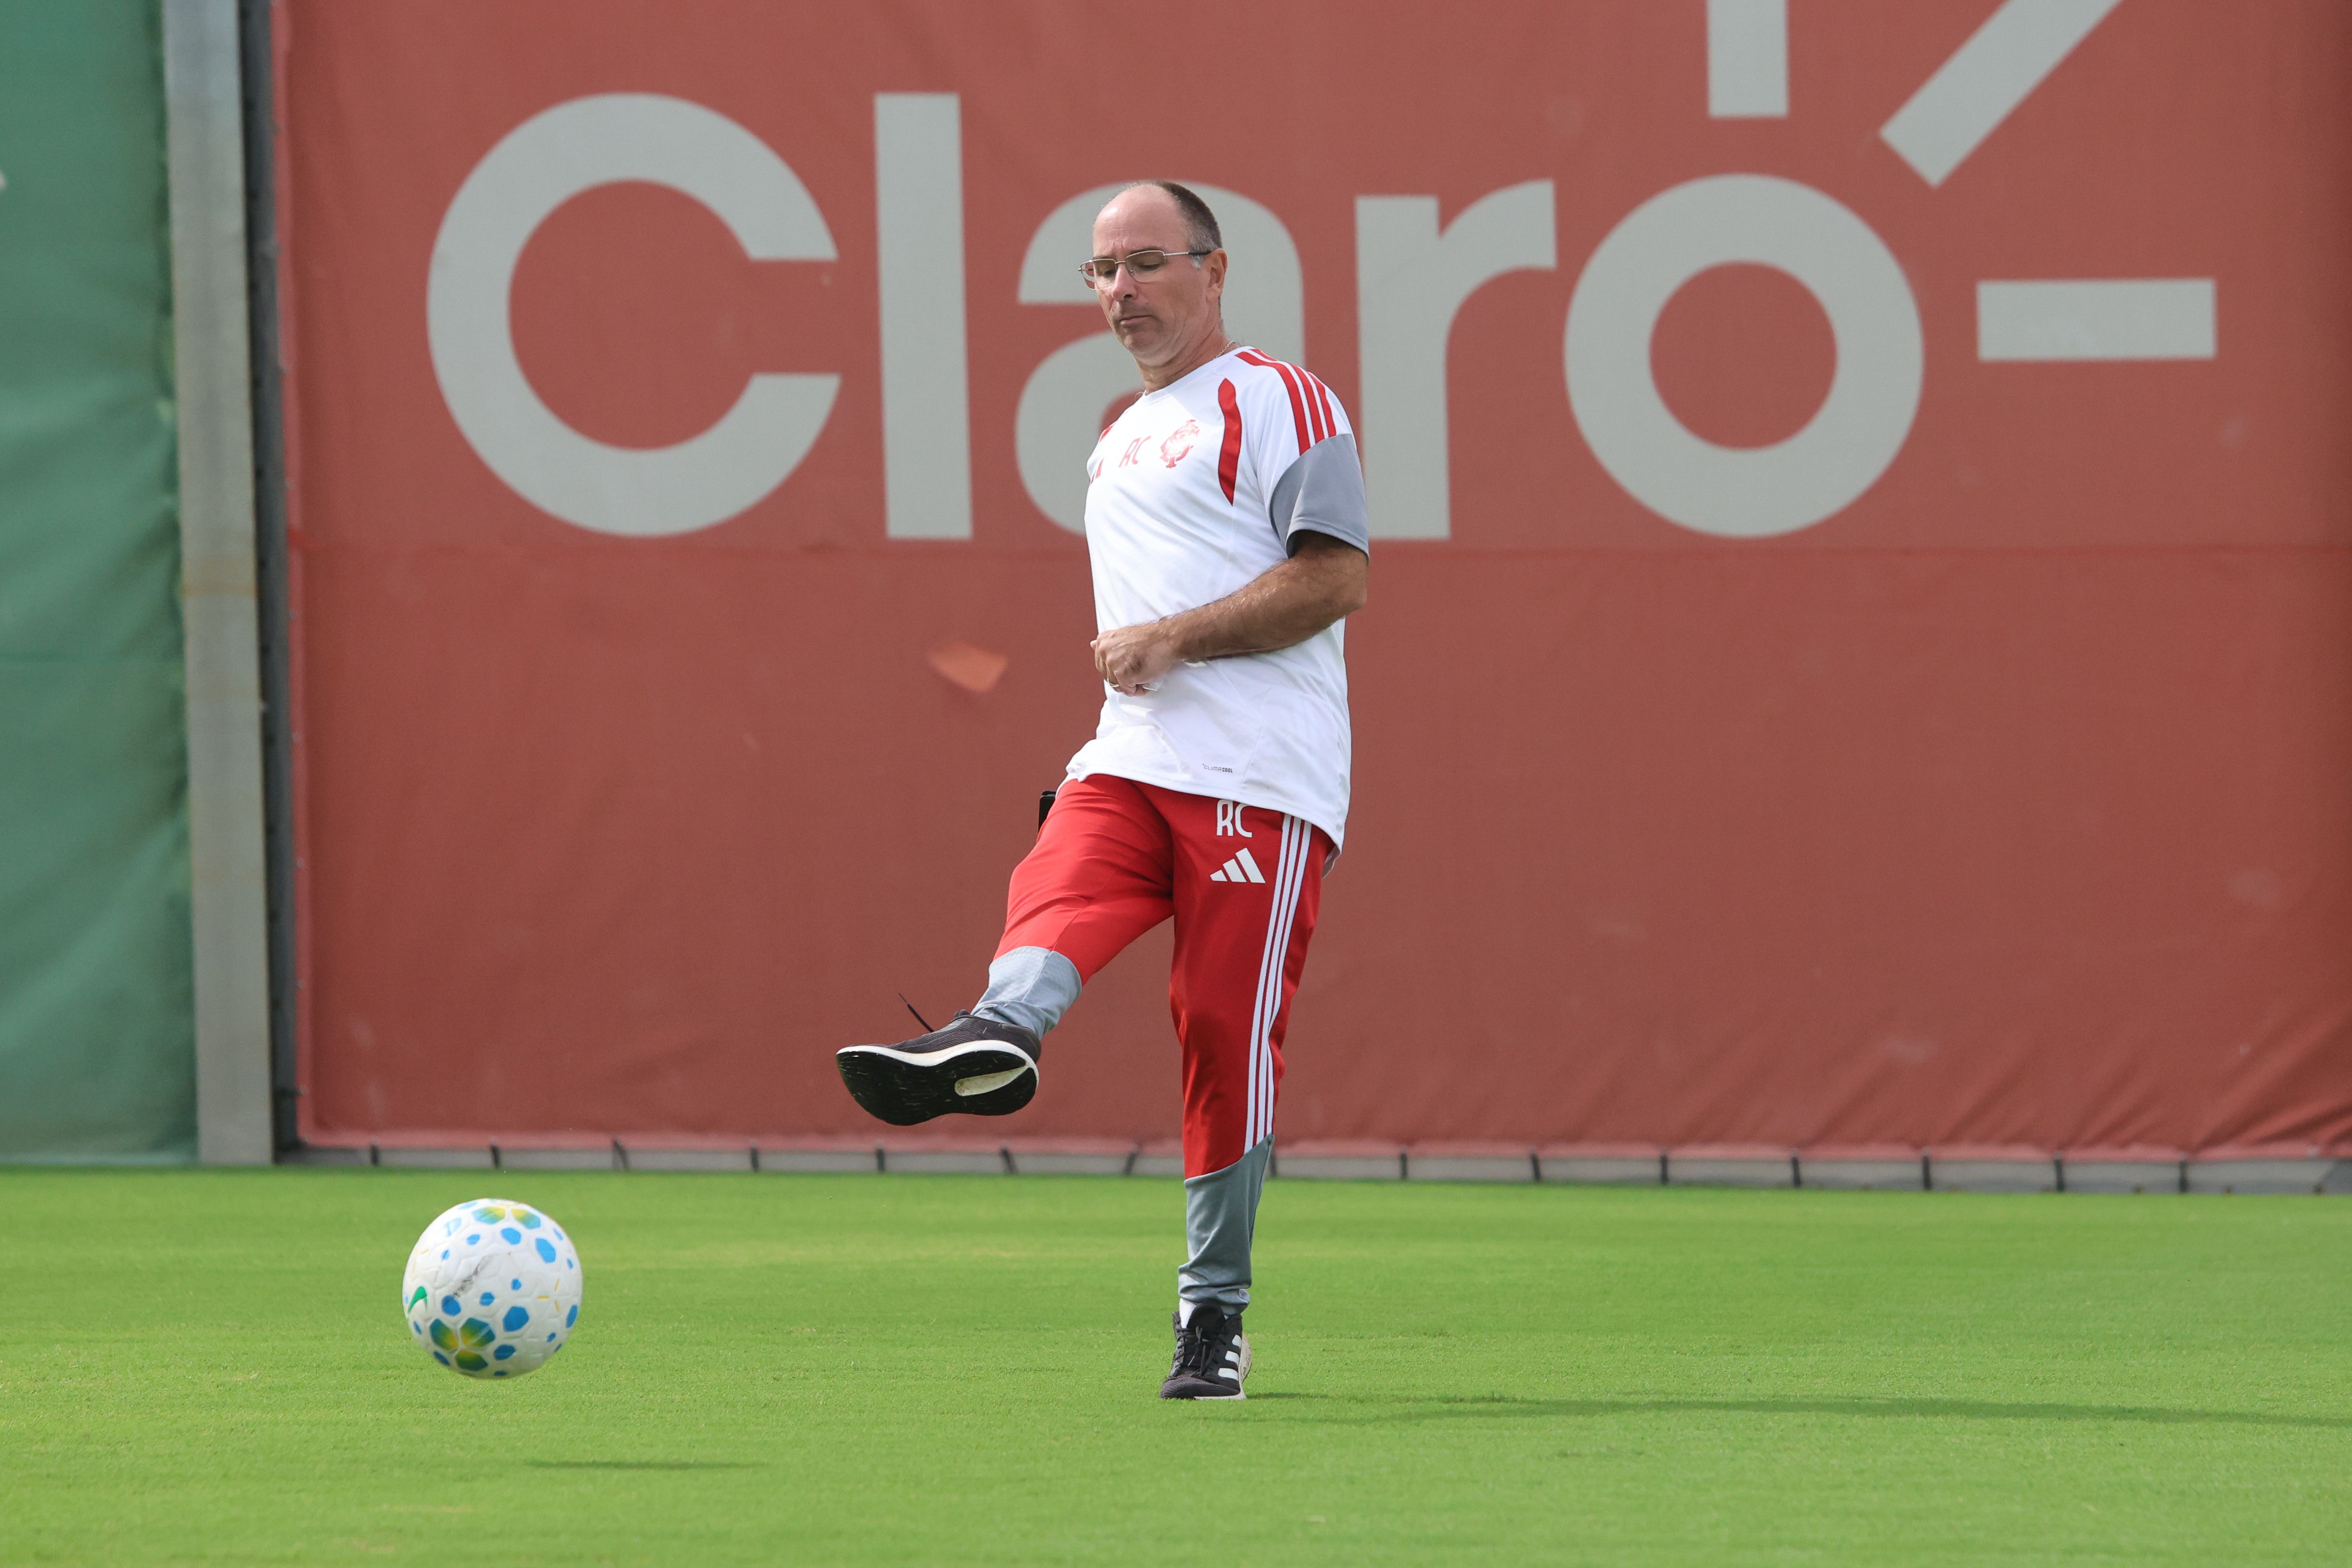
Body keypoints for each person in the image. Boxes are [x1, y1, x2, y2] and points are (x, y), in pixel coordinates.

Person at [836, 181, 1368, 1400]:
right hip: (1132, 753)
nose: (1119, 291)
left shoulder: (1278, 397)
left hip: (1258, 776)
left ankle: (1212, 1310)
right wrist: (1151, 662)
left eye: (1144, 264)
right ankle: (999, 1029)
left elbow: (1334, 577)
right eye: (1100, 272)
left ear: (1213, 269)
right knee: (1057, 879)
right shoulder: (1118, 433)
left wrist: (1171, 638)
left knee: (1220, 1036)